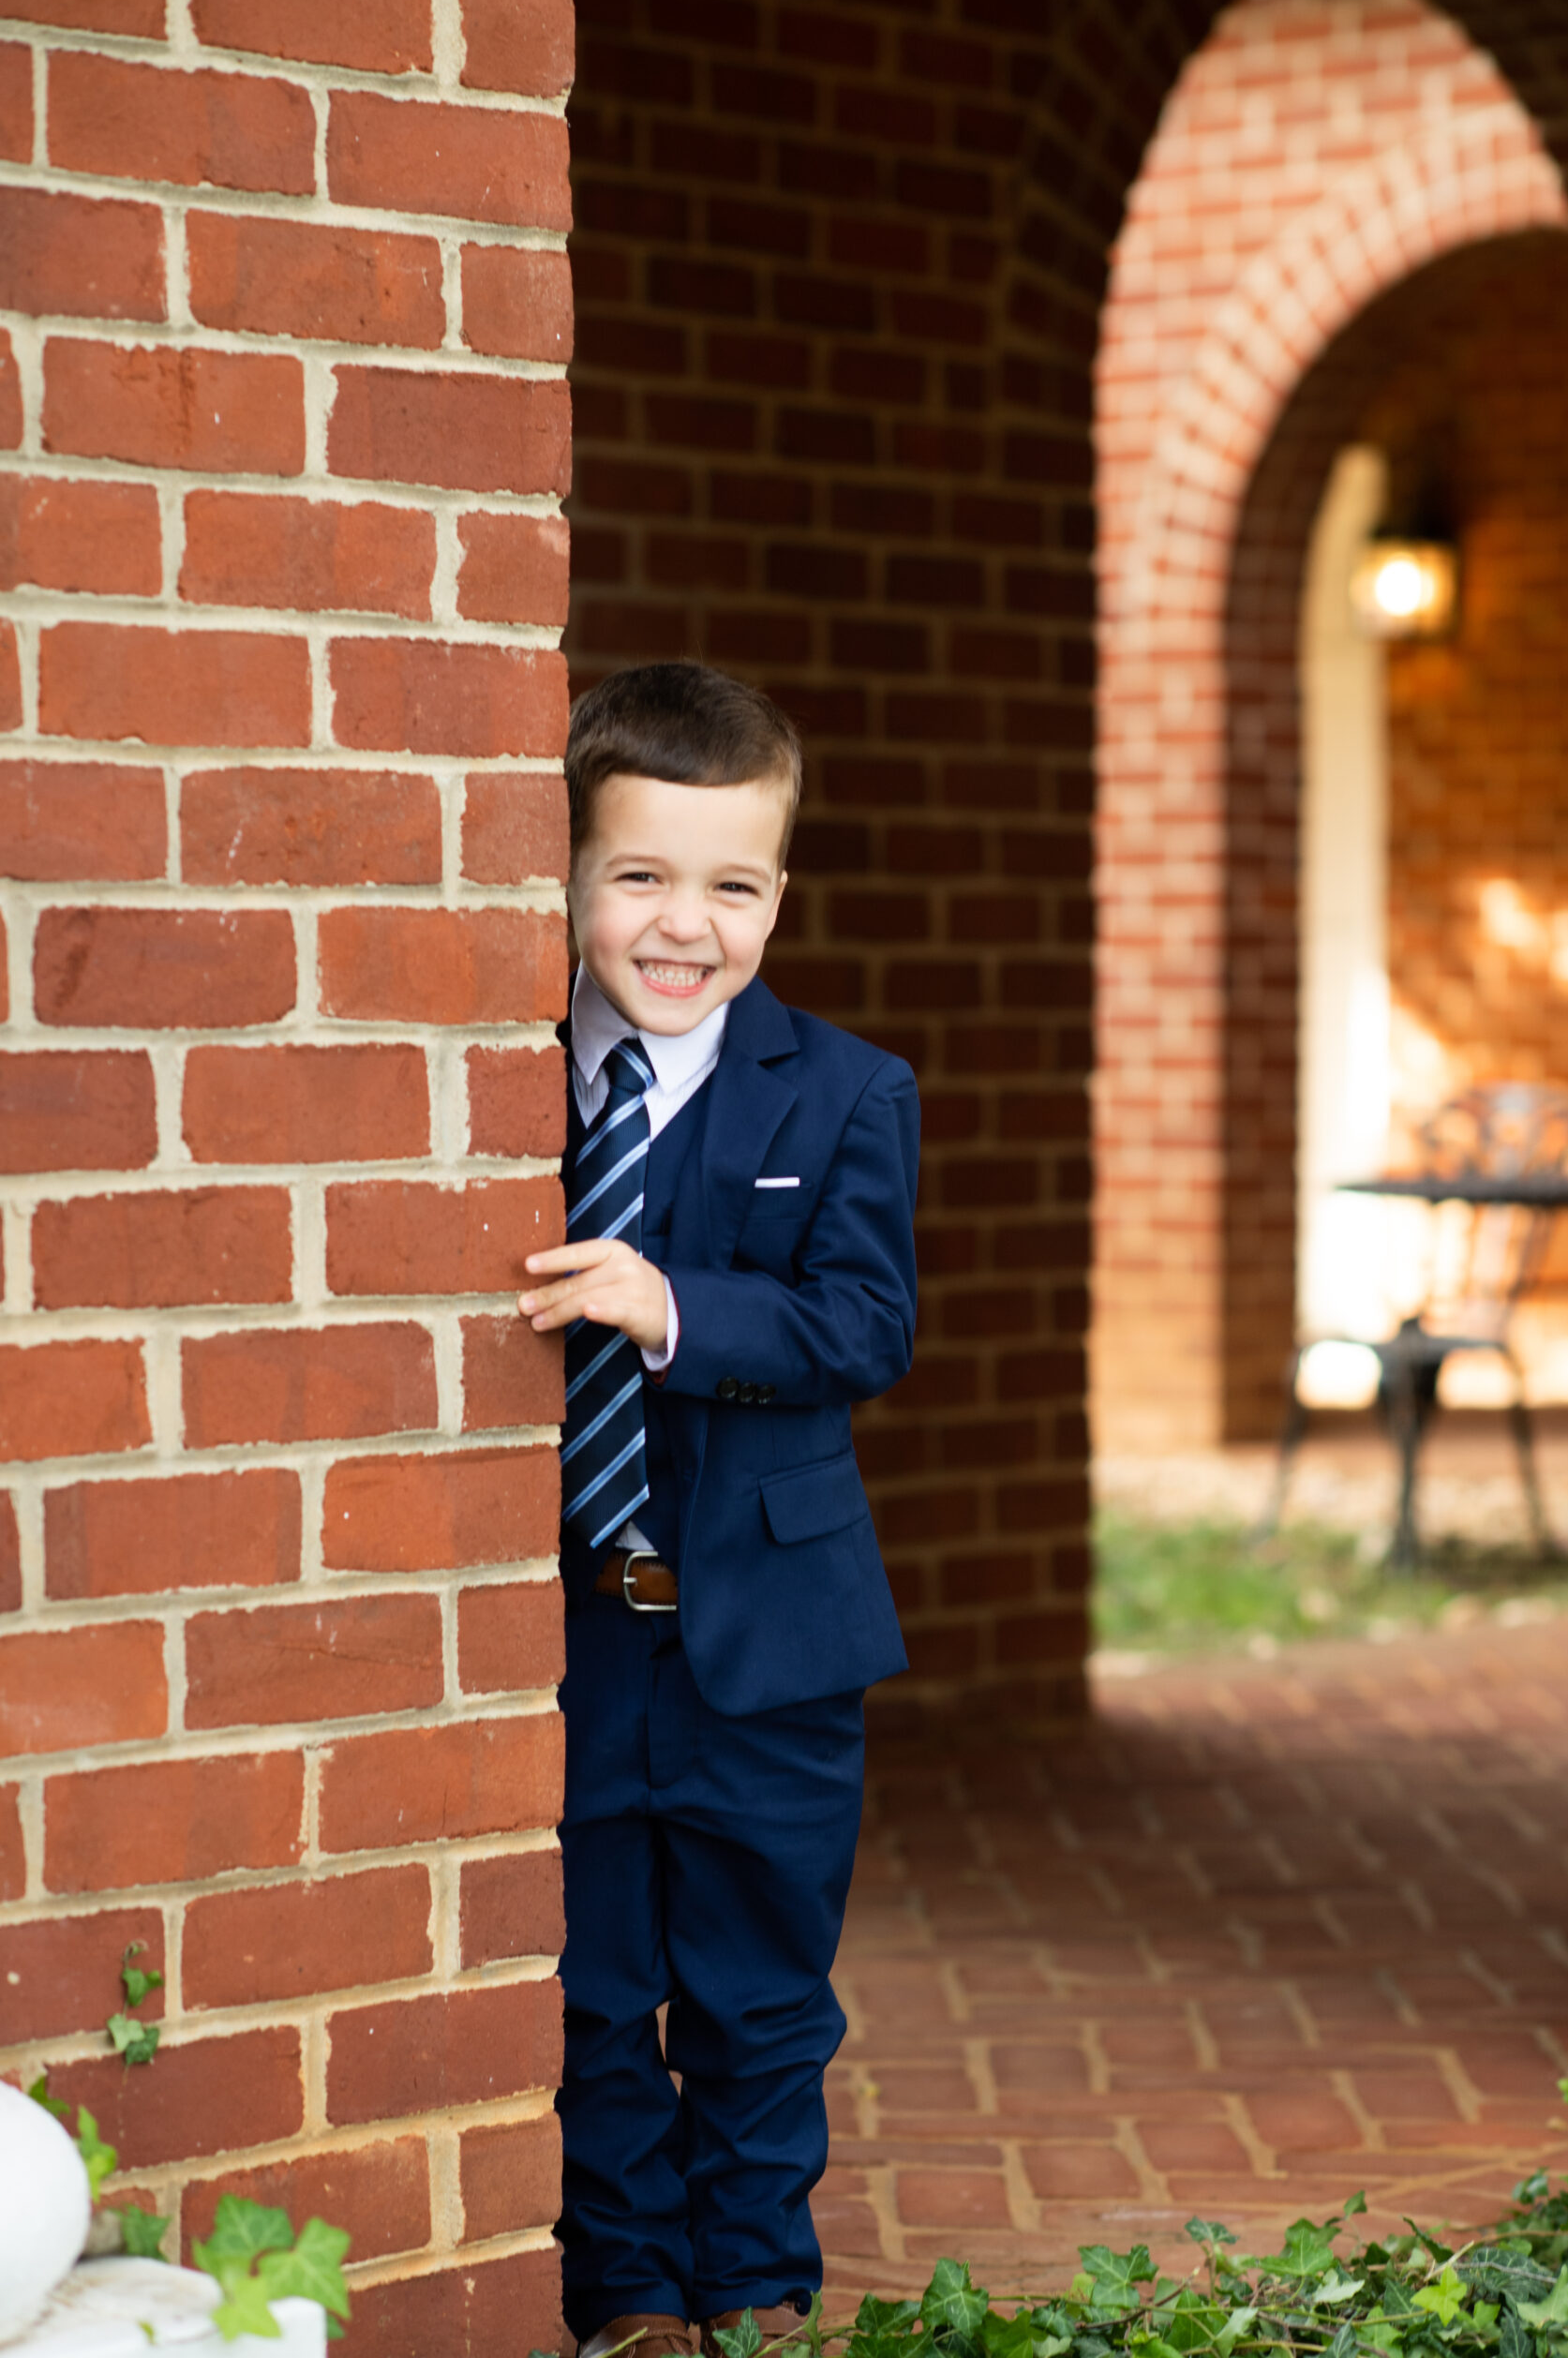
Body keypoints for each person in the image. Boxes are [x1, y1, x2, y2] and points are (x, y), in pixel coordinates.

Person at [518, 662, 919, 2358]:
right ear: (568, 875)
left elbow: (863, 1326)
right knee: (597, 1989)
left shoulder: (841, 1092)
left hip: (772, 1638)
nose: (686, 926)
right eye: (641, 876)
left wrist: (668, 1302)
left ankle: (753, 2294)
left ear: (777, 894)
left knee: (760, 1992)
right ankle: (627, 2301)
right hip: (577, 1636)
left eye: (732, 886)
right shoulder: (504, 1083)